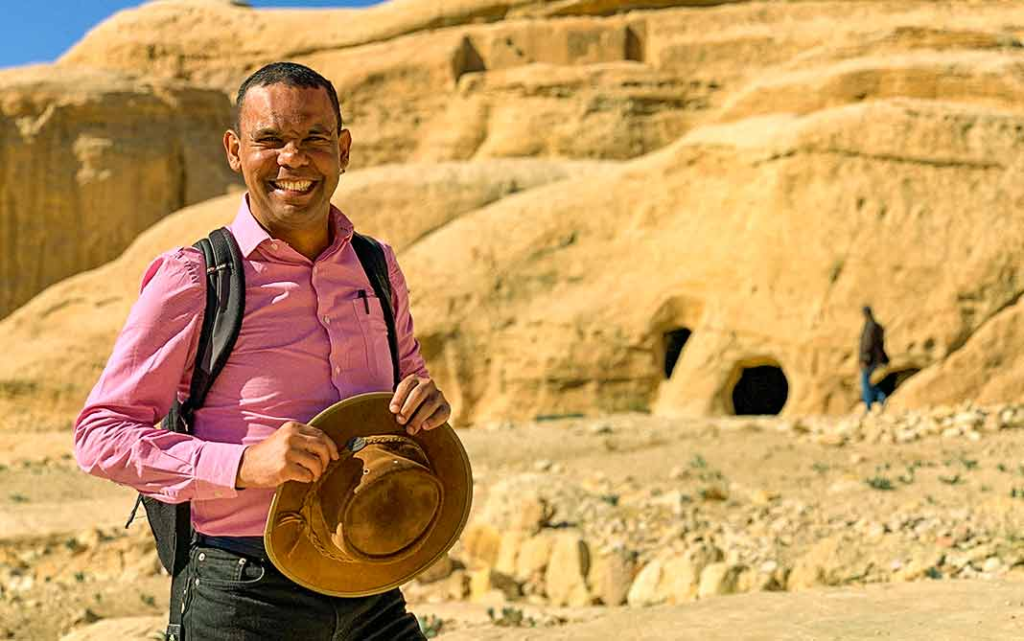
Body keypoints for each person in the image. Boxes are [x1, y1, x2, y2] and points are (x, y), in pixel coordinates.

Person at [73, 62, 449, 640]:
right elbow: (100, 435)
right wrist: (243, 465)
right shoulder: (195, 277)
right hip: (244, 591)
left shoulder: (376, 266)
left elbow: (408, 385)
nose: (293, 159)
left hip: (370, 575)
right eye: (270, 140)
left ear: (343, 149)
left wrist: (426, 405)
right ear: (234, 150)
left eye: (314, 139)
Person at [859, 305, 889, 413]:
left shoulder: (870, 327)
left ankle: (868, 407)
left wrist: (864, 358)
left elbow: (867, 344)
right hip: (878, 359)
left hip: (870, 361)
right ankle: (881, 399)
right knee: (874, 382)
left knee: (866, 383)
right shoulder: (877, 326)